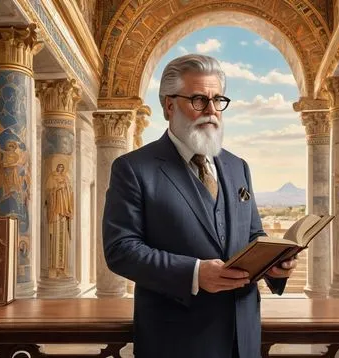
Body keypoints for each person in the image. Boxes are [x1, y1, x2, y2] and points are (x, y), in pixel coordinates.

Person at [103, 54, 297, 358]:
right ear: (169, 105)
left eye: (218, 100)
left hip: (243, 339)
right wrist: (193, 273)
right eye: (198, 100)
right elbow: (121, 250)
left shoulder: (238, 167)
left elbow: (254, 236)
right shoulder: (132, 168)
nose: (211, 111)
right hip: (174, 342)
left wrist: (273, 266)